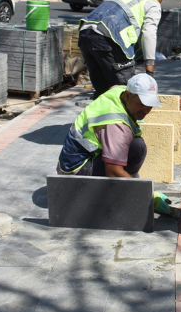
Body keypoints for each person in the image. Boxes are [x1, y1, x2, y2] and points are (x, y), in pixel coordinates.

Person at [56, 73, 173, 214]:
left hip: (70, 164)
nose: (147, 110)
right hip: (75, 177)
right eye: (142, 104)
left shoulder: (119, 92)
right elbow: (112, 172)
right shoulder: (116, 126)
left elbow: (114, 86)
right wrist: (145, 194)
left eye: (150, 105)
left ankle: (124, 187)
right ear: (129, 96)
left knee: (133, 145)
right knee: (137, 148)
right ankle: (110, 196)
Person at [78, 0, 168, 99]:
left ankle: (100, 114)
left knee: (102, 90)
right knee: (126, 91)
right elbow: (149, 33)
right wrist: (150, 69)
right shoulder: (152, 2)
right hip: (108, 37)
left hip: (86, 32)